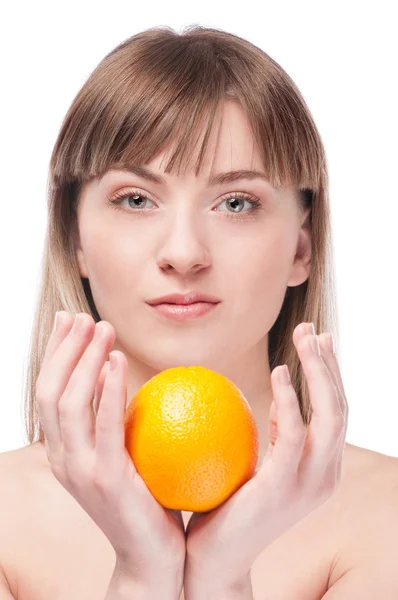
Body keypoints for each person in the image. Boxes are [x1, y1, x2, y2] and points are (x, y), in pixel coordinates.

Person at [0, 24, 397, 600]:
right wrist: (143, 573)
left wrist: (222, 577)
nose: (184, 253)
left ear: (301, 247)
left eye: (236, 202)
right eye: (136, 199)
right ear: (76, 237)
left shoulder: (384, 516)